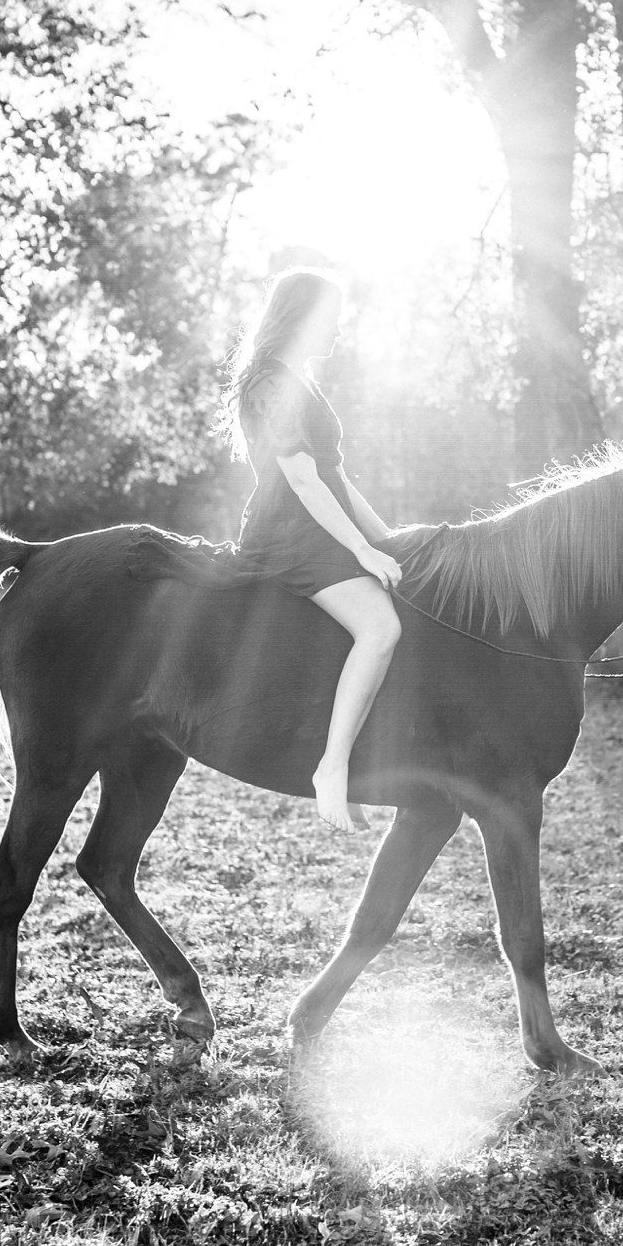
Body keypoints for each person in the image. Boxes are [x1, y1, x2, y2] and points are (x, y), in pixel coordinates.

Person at [226, 268, 402, 831]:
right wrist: (362, 550)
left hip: (318, 527)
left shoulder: (299, 381)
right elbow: (302, 481)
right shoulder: (270, 384)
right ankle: (332, 767)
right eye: (332, 318)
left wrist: (389, 540)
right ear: (302, 318)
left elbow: (337, 479)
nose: (339, 330)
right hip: (289, 536)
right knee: (381, 630)